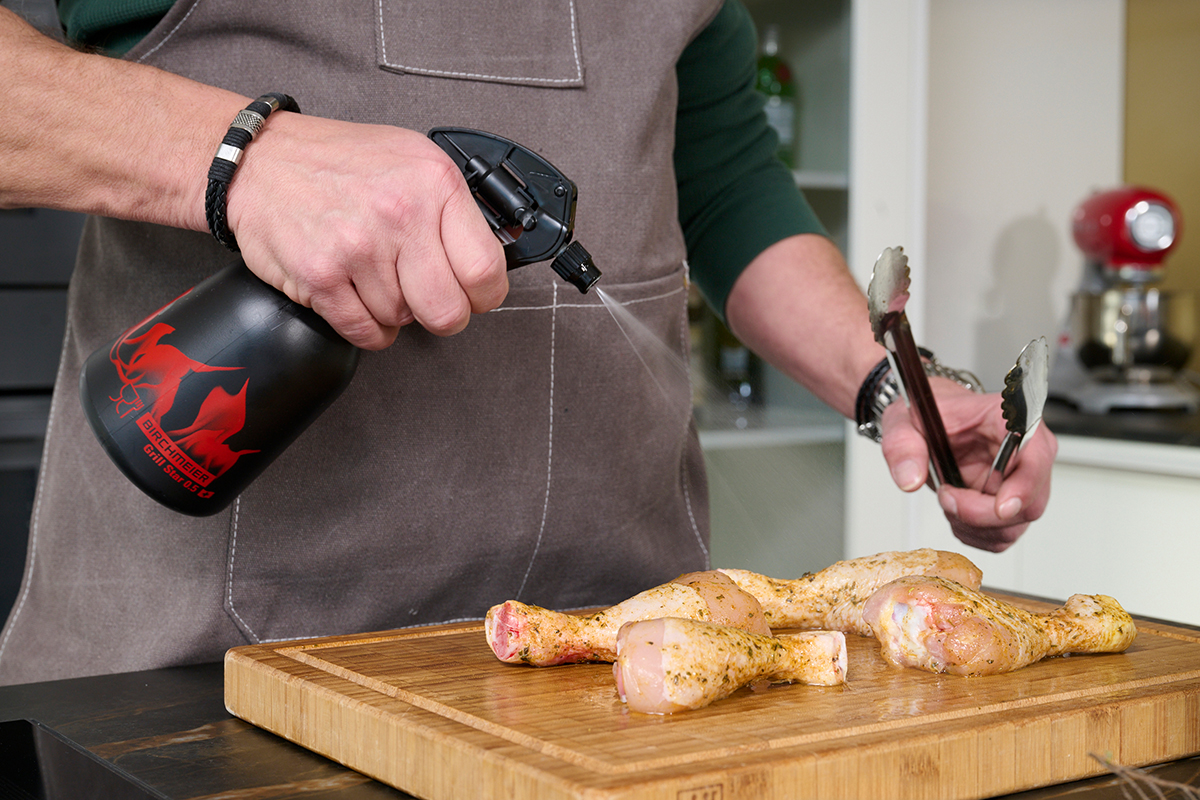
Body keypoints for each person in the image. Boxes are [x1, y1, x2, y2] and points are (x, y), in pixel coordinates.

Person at [0, 0, 1055, 685]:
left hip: (630, 670)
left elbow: (726, 176)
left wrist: (893, 388)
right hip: (213, 674)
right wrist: (244, 160)